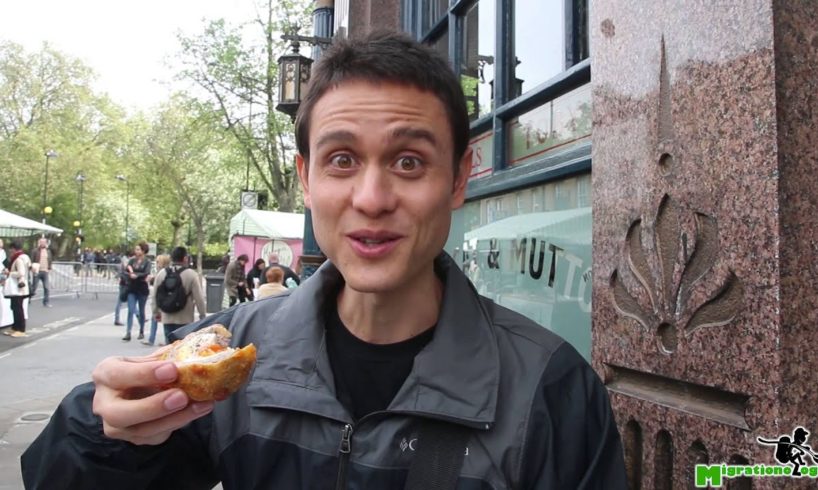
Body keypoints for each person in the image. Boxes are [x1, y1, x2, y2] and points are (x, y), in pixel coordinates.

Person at [21, 32, 626, 489]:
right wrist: (105, 432)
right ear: (307, 180)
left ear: (460, 177)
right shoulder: (230, 358)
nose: (371, 199)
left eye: (409, 161)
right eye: (341, 160)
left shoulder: (553, 392)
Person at [150, 246, 206, 344]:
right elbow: (199, 298)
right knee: (183, 348)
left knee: (169, 347)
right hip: (185, 318)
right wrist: (202, 315)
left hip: (167, 317)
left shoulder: (162, 273)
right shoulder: (191, 275)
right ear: (185, 258)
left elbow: (154, 295)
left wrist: (155, 312)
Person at [122, 242, 151, 342]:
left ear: (143, 251)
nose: (136, 251)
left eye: (138, 249)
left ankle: (141, 331)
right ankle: (128, 332)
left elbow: (146, 272)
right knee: (131, 309)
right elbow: (125, 270)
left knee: (141, 310)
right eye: (136, 249)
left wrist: (136, 275)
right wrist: (129, 273)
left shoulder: (147, 261)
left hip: (142, 288)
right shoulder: (132, 260)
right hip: (132, 288)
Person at [2, 241, 31, 338]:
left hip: (18, 288)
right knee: (15, 307)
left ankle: (21, 329)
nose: (10, 251)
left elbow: (21, 273)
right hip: (19, 288)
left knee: (18, 308)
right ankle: (15, 327)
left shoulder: (19, 259)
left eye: (11, 249)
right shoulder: (24, 257)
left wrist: (9, 273)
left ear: (14, 249)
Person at [143, 254, 170, 346]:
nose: (157, 263)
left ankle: (160, 340)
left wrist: (152, 279)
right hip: (161, 298)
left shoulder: (164, 272)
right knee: (156, 318)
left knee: (164, 319)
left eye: (158, 261)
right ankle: (152, 339)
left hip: (162, 299)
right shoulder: (161, 272)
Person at [28, 237, 53, 307]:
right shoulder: (35, 251)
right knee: (34, 287)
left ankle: (46, 302)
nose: (43, 243)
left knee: (47, 287)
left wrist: (49, 267)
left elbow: (50, 260)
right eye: (41, 242)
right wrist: (32, 268)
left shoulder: (48, 251)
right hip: (37, 271)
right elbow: (31, 260)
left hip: (45, 271)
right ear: (39, 243)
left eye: (44, 242)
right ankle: (28, 298)